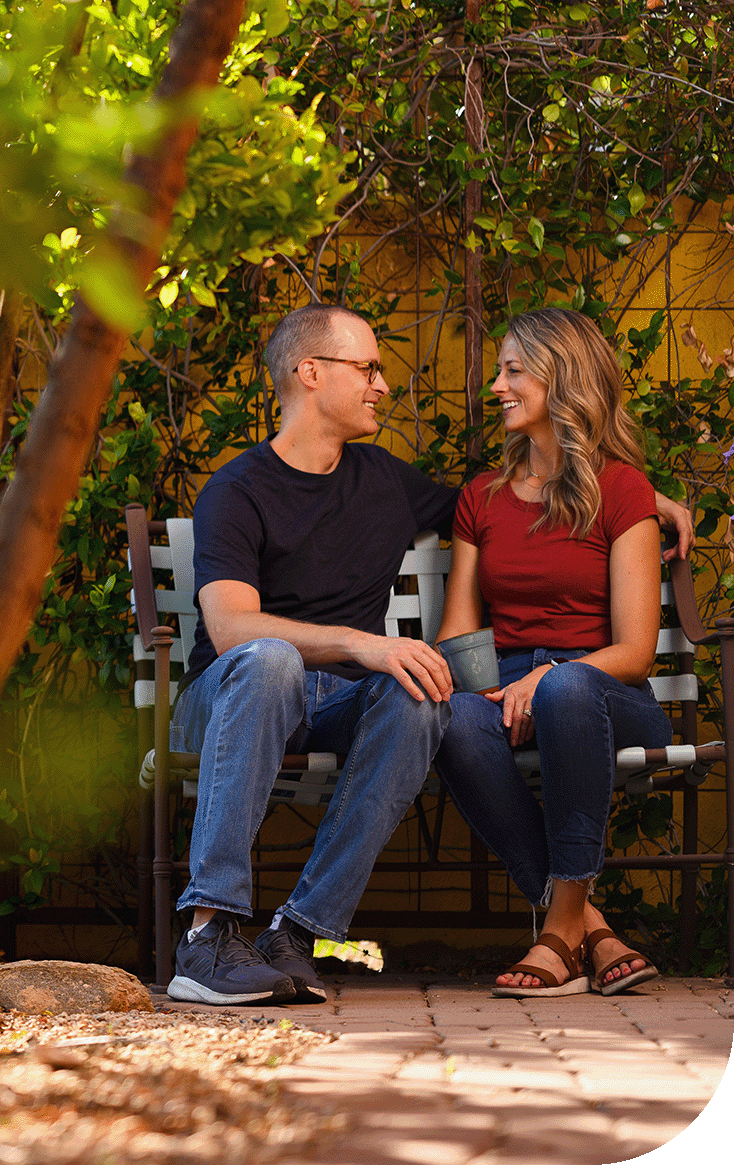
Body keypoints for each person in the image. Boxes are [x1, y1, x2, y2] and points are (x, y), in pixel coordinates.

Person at [166, 303, 694, 1006]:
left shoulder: (383, 481)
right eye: (369, 368)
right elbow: (233, 630)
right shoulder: (238, 489)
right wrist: (365, 643)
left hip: (345, 705)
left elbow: (520, 508)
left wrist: (637, 495)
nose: (384, 384)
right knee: (272, 661)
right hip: (237, 699)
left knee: (425, 697)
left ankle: (299, 932)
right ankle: (208, 937)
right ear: (311, 373)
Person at [433, 308, 674, 997]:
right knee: (451, 716)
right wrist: (483, 689)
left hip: (604, 691)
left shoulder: (624, 489)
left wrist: (549, 674)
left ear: (561, 379)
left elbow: (634, 651)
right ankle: (587, 926)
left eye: (514, 371)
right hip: (509, 687)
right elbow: (459, 630)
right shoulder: (482, 496)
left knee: (567, 689)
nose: (499, 386)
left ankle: (558, 928)